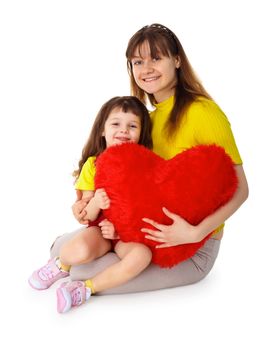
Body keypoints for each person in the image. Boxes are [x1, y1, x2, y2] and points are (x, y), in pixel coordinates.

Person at [50, 23, 248, 298]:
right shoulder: (145, 121)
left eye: (156, 58)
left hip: (193, 247)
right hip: (143, 236)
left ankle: (65, 254)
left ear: (177, 60)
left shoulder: (204, 112)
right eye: (137, 61)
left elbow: (241, 189)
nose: (147, 68)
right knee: (77, 255)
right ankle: (66, 250)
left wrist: (193, 233)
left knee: (80, 270)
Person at [29, 96, 153, 313]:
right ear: (103, 130)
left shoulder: (145, 165)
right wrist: (96, 202)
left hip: (128, 235)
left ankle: (85, 289)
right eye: (116, 124)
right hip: (100, 230)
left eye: (132, 126)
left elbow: (146, 207)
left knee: (142, 256)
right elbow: (86, 213)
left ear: (141, 134)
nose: (124, 130)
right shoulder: (93, 165)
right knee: (76, 250)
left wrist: (121, 231)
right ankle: (61, 265)